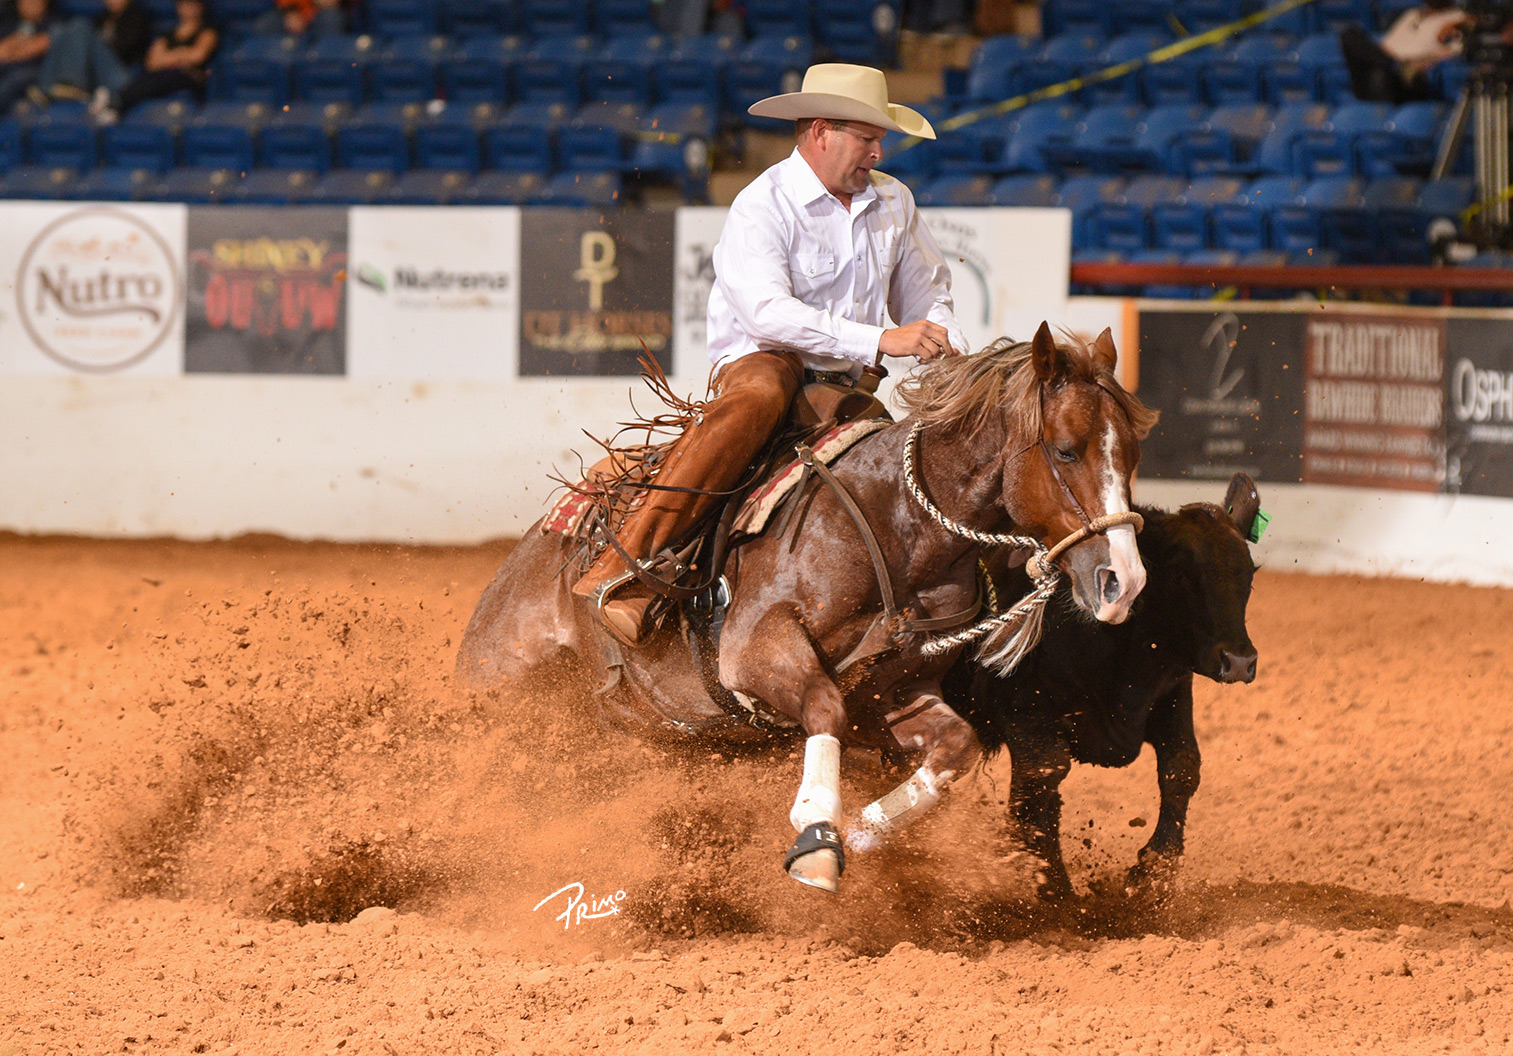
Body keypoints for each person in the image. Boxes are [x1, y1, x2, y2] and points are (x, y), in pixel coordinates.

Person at [572, 62, 969, 645]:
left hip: (847, 382)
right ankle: (623, 572)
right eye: (868, 137)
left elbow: (929, 294)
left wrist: (947, 340)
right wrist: (881, 339)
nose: (879, 153)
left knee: (897, 461)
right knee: (758, 398)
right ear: (820, 132)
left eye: (880, 139)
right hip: (765, 359)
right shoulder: (763, 204)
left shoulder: (894, 203)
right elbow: (766, 314)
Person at [94, 0, 215, 120]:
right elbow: (152, 62)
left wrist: (168, 57)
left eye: (193, 5)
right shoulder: (168, 33)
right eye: (185, 5)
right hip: (163, 74)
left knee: (170, 76)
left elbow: (197, 56)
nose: (188, 9)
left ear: (201, 7)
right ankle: (115, 104)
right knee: (148, 78)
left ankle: (115, 104)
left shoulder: (207, 31)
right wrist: (181, 54)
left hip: (187, 77)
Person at [1341, 0, 1470, 105]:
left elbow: (1455, 50)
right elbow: (1386, 43)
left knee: (1380, 72)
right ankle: (1389, 64)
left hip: (1407, 78)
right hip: (1386, 64)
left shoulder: (1457, 18)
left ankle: (1390, 65)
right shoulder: (1412, 14)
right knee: (1350, 34)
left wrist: (1426, 60)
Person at [33, 0, 149, 106]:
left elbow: (123, 51)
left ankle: (72, 84)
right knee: (60, 31)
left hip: (122, 77)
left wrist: (95, 46)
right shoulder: (102, 18)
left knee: (80, 25)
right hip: (97, 75)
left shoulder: (138, 17)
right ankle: (45, 87)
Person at [0, 0, 54, 115]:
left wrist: (13, 49)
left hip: (37, 71)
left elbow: (37, 47)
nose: (31, 3)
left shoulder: (53, 23)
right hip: (6, 70)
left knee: (14, 78)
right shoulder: (8, 25)